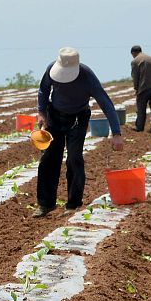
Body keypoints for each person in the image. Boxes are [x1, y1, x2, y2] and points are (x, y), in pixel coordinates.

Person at [33, 47, 124, 217]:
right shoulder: (51, 69)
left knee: (74, 158)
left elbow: (105, 103)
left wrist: (116, 133)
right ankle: (45, 204)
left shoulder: (87, 76)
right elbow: (44, 90)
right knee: (48, 159)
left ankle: (73, 204)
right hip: (55, 116)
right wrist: (41, 112)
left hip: (78, 118)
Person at [130, 45, 151, 133]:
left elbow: (135, 76)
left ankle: (139, 127)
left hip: (145, 86)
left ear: (133, 53)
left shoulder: (135, 61)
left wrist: (136, 89)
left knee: (141, 108)